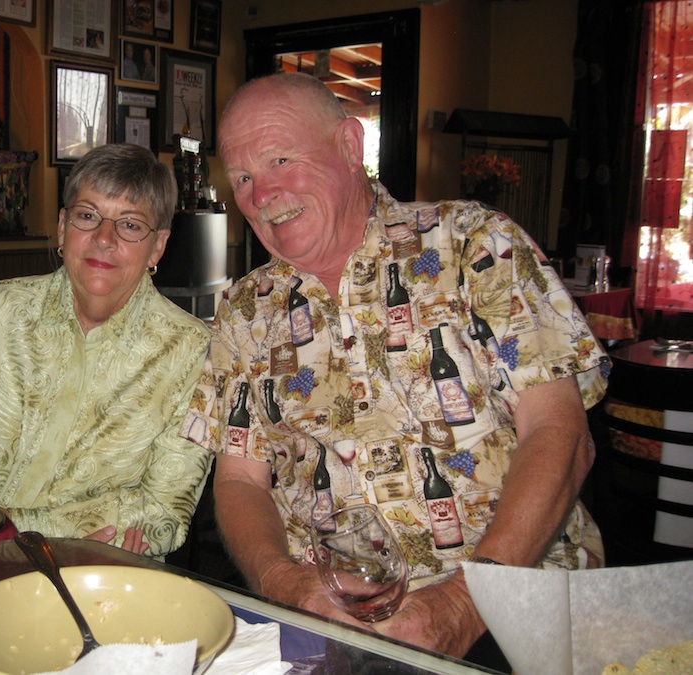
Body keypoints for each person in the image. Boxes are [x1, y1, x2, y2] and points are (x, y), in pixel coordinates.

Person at [181, 73, 610, 658]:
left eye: (281, 159)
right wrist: (284, 583)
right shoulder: (244, 311)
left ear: (351, 148)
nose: (262, 195)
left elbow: (561, 435)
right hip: (332, 619)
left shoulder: (476, 246)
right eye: (245, 178)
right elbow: (237, 481)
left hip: (517, 599)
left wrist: (466, 603)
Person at [0, 143, 211, 559]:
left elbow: (163, 513)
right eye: (87, 216)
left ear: (158, 247)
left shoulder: (191, 351)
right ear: (62, 227)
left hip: (106, 575)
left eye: (130, 225)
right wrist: (0, 535)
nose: (104, 239)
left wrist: (3, 527)